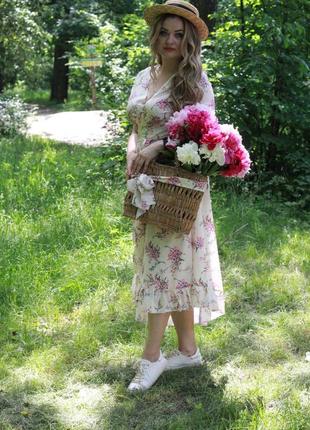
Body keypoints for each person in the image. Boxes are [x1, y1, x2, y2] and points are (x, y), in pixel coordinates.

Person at [126, 0, 225, 392]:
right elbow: (136, 124)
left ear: (189, 41)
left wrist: (156, 148)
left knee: (162, 268)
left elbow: (203, 136)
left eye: (178, 34)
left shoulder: (197, 82)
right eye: (164, 32)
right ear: (156, 35)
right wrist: (134, 150)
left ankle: (151, 359)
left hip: (180, 185)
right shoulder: (143, 76)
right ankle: (188, 350)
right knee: (170, 266)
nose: (170, 40)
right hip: (146, 185)